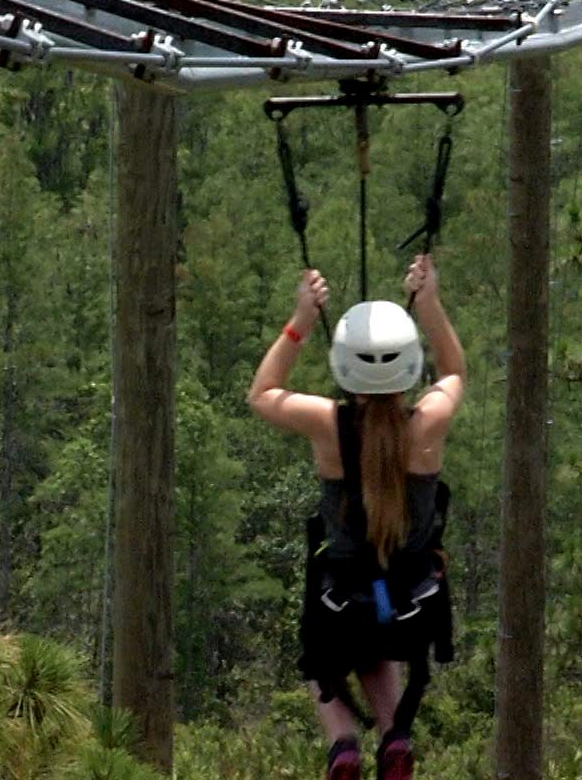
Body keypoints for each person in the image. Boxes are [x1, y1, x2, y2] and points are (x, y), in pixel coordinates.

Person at [247, 254, 467, 780]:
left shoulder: (328, 425)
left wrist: (300, 321)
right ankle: (393, 736)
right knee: (377, 640)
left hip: (339, 602)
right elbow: (455, 370)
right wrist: (429, 304)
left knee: (327, 653)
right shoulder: (428, 424)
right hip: (408, 605)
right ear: (408, 366)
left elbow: (262, 394)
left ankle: (343, 743)